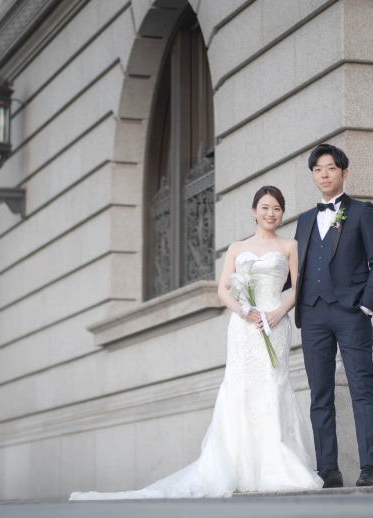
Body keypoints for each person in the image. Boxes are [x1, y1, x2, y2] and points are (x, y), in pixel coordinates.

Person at [69, 186, 322, 500]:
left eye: (277, 209)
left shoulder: (289, 245)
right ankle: (239, 466)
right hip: (243, 328)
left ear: (282, 213)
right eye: (265, 207)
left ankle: (275, 465)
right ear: (253, 210)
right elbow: (223, 291)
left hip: (275, 324)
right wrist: (245, 311)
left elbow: (299, 288)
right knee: (241, 387)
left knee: (273, 385)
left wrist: (277, 312)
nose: (271, 214)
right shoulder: (236, 247)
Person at [293, 143, 373, 488]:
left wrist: (366, 306)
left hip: (351, 314)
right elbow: (296, 271)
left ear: (343, 172)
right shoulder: (304, 221)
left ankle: (370, 467)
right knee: (320, 395)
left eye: (330, 168)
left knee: (362, 386)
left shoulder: (362, 212)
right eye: (318, 169)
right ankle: (327, 469)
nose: (324, 174)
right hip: (313, 316)